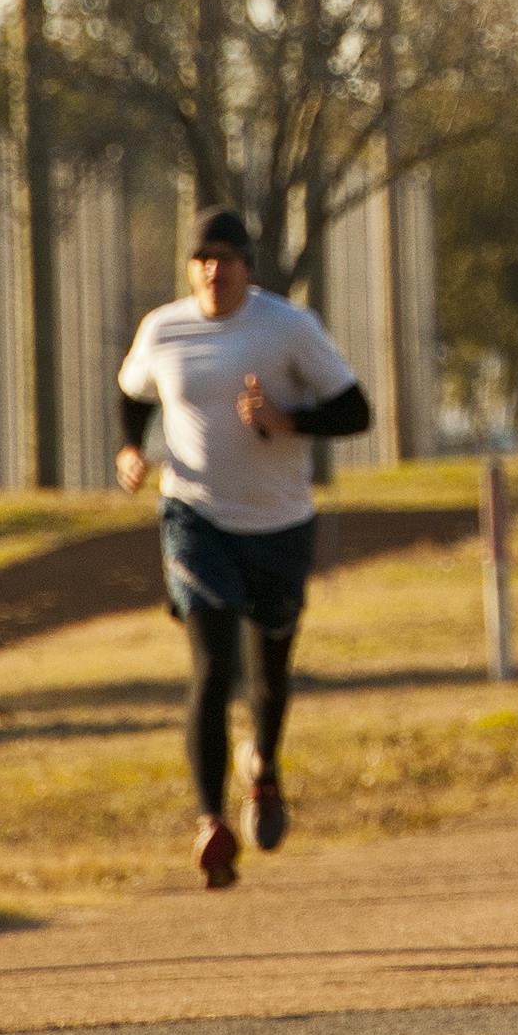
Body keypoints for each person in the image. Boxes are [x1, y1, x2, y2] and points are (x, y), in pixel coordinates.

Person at [116, 206, 373, 888]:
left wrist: (287, 420)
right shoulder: (163, 328)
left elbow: (356, 410)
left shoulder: (287, 328)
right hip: (194, 516)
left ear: (246, 269)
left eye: (224, 260)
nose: (211, 272)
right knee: (210, 663)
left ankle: (263, 768)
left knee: (269, 672)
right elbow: (133, 391)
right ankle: (211, 823)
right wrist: (129, 448)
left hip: (280, 523)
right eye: (200, 260)